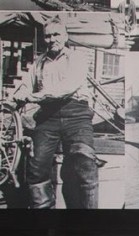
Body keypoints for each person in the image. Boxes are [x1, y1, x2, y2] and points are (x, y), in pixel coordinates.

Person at [6, 18, 98, 209]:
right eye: (48, 35)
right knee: (37, 168)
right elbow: (24, 86)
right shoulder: (38, 63)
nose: (52, 39)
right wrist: (14, 98)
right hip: (47, 117)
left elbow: (66, 88)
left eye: (56, 34)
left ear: (65, 36)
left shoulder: (77, 58)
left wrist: (33, 96)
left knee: (84, 164)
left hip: (77, 115)